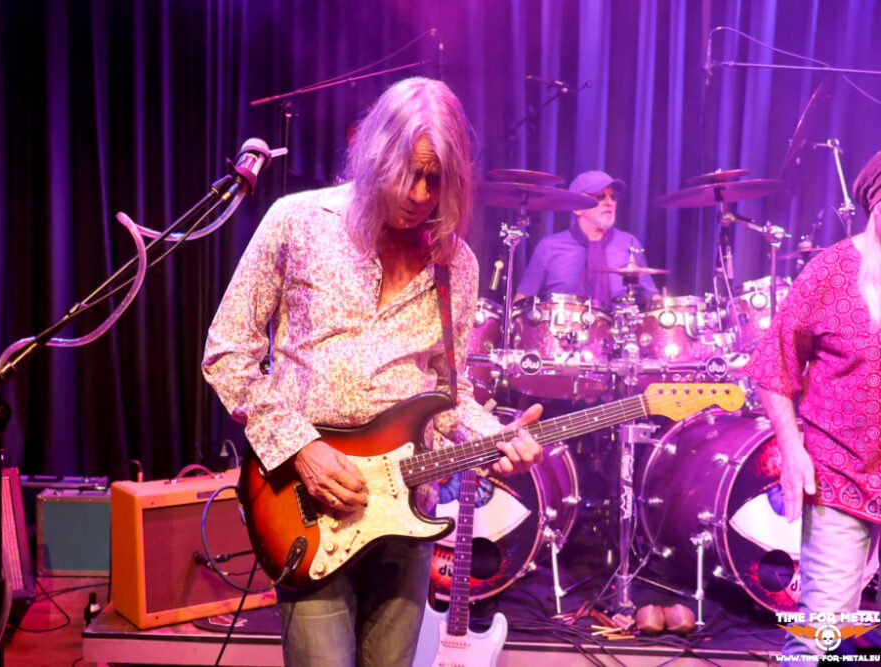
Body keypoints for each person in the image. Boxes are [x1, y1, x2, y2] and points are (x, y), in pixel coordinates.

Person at [202, 77, 543, 667]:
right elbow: (228, 352)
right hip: (307, 502)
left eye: (436, 179)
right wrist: (301, 449)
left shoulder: (456, 265)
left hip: (407, 511)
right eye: (407, 173)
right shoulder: (297, 222)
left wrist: (492, 436)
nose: (419, 194)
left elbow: (448, 394)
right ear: (373, 154)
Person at [745, 151, 881, 658]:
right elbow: (773, 367)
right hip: (839, 476)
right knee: (821, 642)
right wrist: (792, 450)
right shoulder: (831, 272)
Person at [514, 170, 658, 304]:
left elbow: (652, 299)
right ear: (577, 208)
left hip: (617, 323)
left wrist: (663, 308)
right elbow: (520, 304)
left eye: (613, 197)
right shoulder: (549, 247)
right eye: (600, 196)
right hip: (562, 322)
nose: (609, 202)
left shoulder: (628, 243)